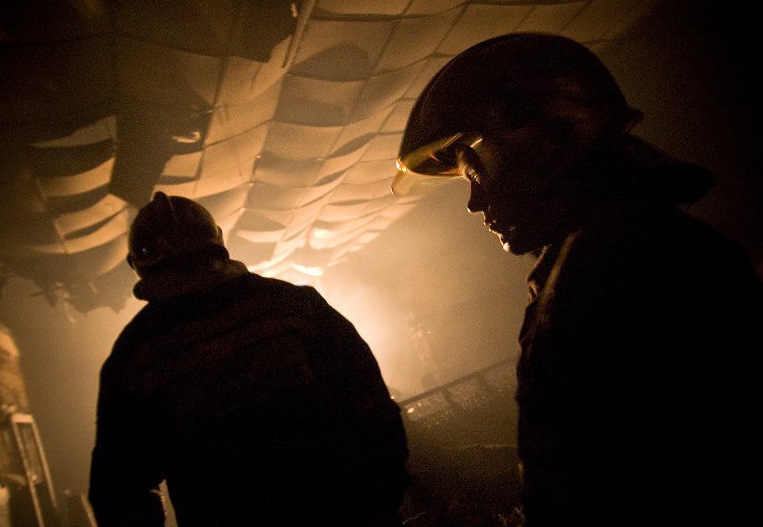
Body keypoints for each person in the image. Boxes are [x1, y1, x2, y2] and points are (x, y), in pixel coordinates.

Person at [393, 33, 761, 526]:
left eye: (475, 175)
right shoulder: (629, 247)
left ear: (541, 148)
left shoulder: (617, 265)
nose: (475, 204)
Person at [88, 192, 410, 526]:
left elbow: (118, 491)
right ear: (217, 239)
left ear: (136, 265)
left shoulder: (135, 356)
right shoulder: (294, 304)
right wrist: (381, 502)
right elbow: (372, 406)